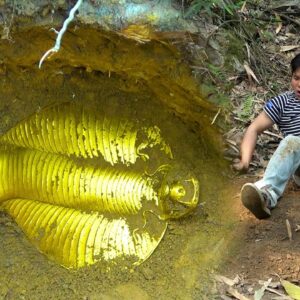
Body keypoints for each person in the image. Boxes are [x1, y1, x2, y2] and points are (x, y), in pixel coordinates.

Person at [233, 53, 300, 219]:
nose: (299, 85)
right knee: (292, 142)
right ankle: (266, 195)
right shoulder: (282, 103)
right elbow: (253, 129)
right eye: (296, 78)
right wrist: (245, 162)